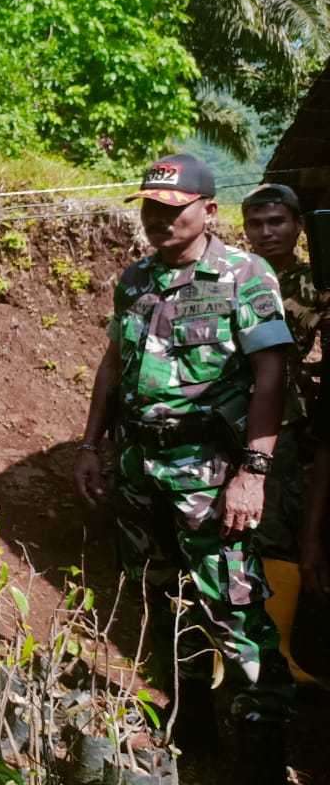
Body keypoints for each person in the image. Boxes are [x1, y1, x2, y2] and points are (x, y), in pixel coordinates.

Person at [74, 154, 294, 783]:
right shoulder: (136, 279)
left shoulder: (243, 276)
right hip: (142, 468)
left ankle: (263, 749)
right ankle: (189, 717)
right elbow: (114, 363)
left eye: (173, 210)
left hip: (212, 473)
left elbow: (270, 375)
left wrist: (253, 471)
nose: (159, 220)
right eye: (150, 208)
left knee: (234, 604)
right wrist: (91, 446)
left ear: (207, 212)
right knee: (161, 596)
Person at [241, 183, 330, 683]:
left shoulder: (317, 281)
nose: (267, 231)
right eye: (256, 223)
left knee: (275, 530)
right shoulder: (234, 274)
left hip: (283, 422)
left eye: (277, 222)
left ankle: (280, 652)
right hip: (224, 416)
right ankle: (219, 648)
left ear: (298, 226)